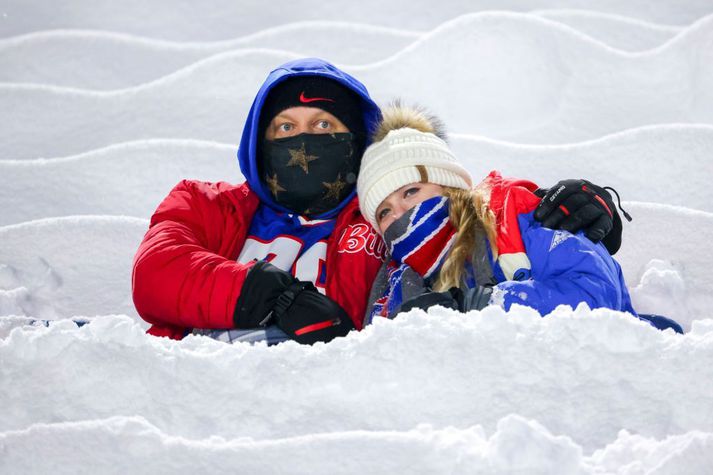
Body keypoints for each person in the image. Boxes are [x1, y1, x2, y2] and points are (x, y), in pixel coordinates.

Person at [132, 58, 627, 345]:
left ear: (354, 144)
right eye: (285, 128)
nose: (303, 142)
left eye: (324, 126)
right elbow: (155, 273)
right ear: (257, 143)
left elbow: (455, 203)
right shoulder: (206, 204)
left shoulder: (375, 223)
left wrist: (556, 202)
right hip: (190, 386)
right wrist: (273, 296)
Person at [357, 103, 647, 324]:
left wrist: (483, 305)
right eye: (384, 212)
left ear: (449, 187)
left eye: (410, 192)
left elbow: (598, 296)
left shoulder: (519, 223)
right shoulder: (399, 284)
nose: (401, 214)